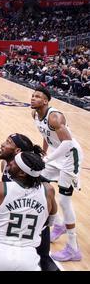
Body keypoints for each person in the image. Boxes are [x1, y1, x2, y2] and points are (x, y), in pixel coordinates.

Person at [0, 133, 55, 270]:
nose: (3, 144)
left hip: (34, 227)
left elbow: (48, 205)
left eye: (8, 142)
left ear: (17, 151)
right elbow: (9, 193)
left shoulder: (38, 180)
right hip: (13, 222)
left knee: (43, 262)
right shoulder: (6, 164)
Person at [31, 86, 83, 262]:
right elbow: (46, 136)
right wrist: (43, 154)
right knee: (38, 182)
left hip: (70, 157)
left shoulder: (55, 117)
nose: (33, 98)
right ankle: (59, 224)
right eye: (32, 95)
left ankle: (73, 249)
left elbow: (67, 143)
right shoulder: (35, 115)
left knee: (64, 201)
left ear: (45, 101)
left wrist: (48, 159)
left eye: (37, 96)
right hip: (56, 155)